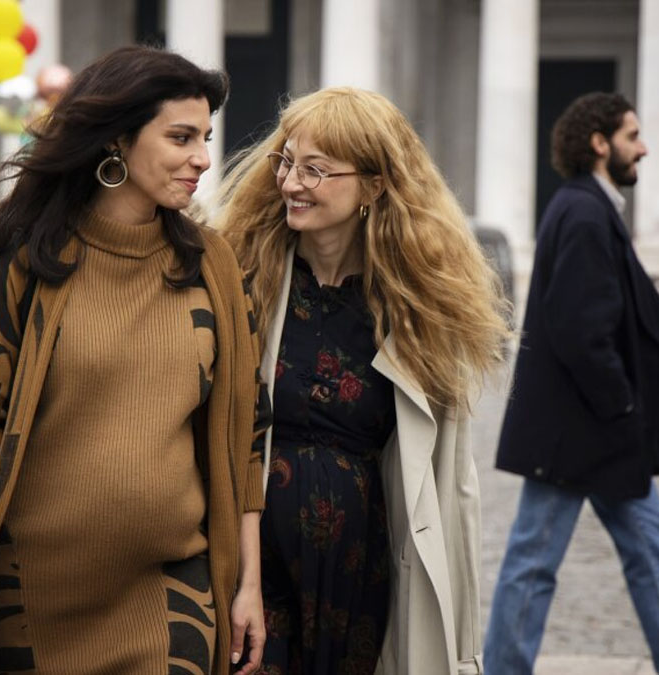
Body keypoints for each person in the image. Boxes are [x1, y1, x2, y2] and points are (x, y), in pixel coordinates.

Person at [0, 46, 269, 675]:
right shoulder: (24, 257)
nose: (203, 159)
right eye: (181, 137)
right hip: (25, 601)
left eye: (206, 138)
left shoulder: (212, 266)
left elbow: (247, 440)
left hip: (171, 598)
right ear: (116, 142)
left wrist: (248, 588)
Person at [216, 87, 511, 674]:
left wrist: (461, 651)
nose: (293, 183)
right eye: (288, 162)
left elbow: (452, 487)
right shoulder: (244, 277)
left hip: (360, 573)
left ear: (374, 187)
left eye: (317, 170)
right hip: (252, 562)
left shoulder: (417, 310)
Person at [484, 92, 659, 675]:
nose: (643, 148)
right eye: (632, 135)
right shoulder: (586, 211)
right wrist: (624, 407)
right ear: (599, 142)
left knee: (639, 550)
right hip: (587, 430)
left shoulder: (585, 206)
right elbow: (581, 329)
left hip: (586, 428)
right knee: (544, 560)